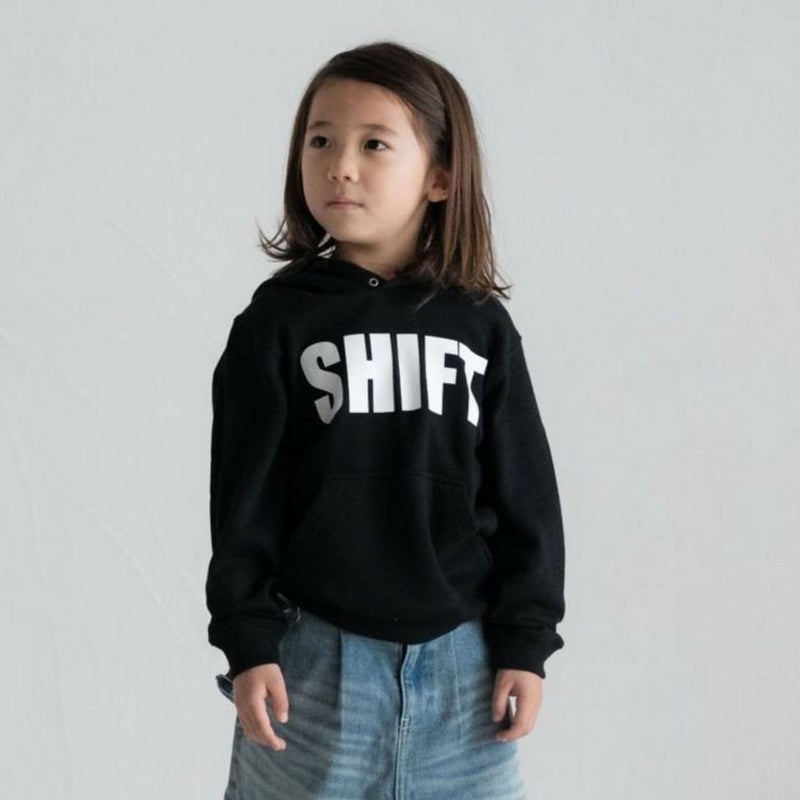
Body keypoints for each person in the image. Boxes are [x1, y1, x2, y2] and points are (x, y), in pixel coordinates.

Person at [205, 39, 566, 800]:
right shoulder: (277, 323)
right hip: (315, 667)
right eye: (320, 141)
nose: (341, 165)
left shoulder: (480, 327)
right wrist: (248, 642)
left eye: (374, 144)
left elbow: (526, 495)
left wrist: (526, 642)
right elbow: (243, 502)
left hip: (465, 671)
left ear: (440, 176)